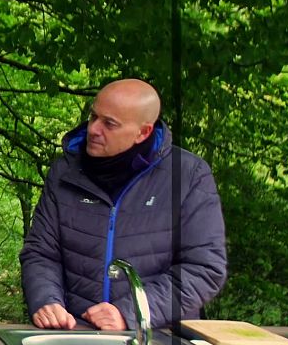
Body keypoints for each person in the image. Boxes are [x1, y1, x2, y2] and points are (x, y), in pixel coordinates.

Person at [20, 79, 227, 330]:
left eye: (109, 124)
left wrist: (131, 312)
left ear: (143, 132)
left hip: (161, 335)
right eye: (93, 116)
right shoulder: (65, 171)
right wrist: (47, 301)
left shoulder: (187, 176)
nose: (93, 129)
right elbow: (41, 252)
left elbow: (204, 268)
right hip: (77, 330)